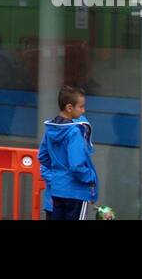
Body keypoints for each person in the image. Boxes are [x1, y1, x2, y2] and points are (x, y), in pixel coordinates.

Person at [37, 85, 99, 220]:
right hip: (76, 192)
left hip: (57, 190)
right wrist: (90, 177)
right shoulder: (74, 131)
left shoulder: (51, 128)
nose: (83, 110)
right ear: (69, 108)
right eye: (81, 107)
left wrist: (58, 173)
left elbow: (42, 156)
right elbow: (76, 166)